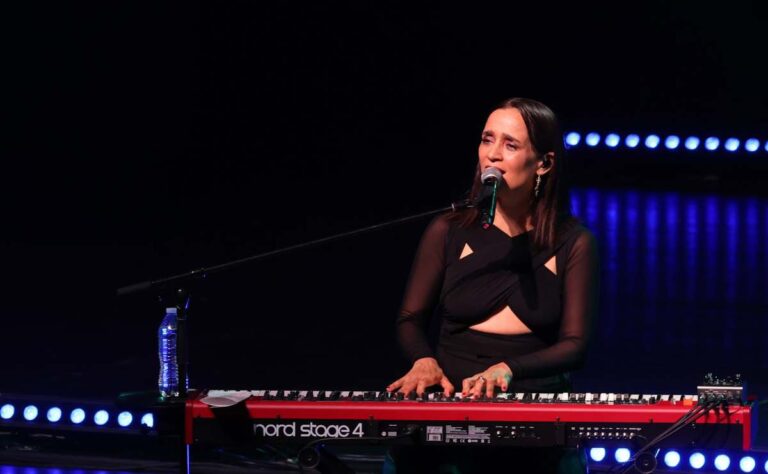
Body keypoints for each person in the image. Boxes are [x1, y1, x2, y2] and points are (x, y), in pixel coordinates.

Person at [384, 97, 600, 473]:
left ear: (544, 164)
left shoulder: (573, 241)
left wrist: (509, 368)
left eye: (510, 144)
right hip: (449, 406)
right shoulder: (448, 230)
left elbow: (575, 346)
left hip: (533, 413)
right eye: (487, 140)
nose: (493, 155)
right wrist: (423, 360)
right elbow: (409, 317)